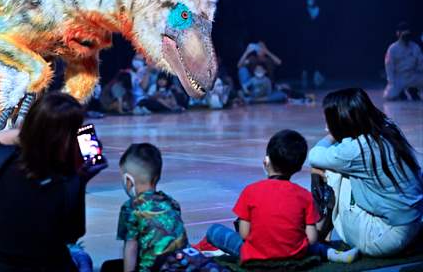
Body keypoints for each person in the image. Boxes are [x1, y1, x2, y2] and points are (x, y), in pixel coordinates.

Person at [0, 92, 106, 271]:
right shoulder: (66, 183)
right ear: (64, 141)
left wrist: (32, 132)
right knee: (82, 258)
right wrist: (81, 180)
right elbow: (71, 234)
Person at [205, 130, 358, 265]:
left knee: (214, 231)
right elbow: (311, 238)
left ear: (266, 161)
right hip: (295, 255)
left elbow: (245, 234)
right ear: (298, 168)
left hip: (256, 257)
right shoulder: (303, 195)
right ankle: (334, 255)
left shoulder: (250, 191)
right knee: (315, 247)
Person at [309, 88, 423, 257]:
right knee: (336, 167)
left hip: (385, 238)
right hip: (412, 226)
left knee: (328, 171)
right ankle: (321, 236)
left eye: (329, 120)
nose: (326, 125)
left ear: (341, 119)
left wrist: (332, 134)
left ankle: (318, 236)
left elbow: (315, 156)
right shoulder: (387, 130)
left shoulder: (357, 149)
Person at [102, 143, 188, 272]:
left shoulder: (130, 207)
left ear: (128, 181)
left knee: (108, 267)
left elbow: (131, 248)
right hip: (183, 266)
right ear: (157, 176)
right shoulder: (172, 203)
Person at [383, 22, 423, 101]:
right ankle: (400, 92)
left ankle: (413, 90)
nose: (406, 38)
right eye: (404, 36)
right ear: (398, 34)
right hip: (399, 77)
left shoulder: (415, 47)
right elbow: (389, 67)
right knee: (389, 96)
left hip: (413, 75)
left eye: (408, 35)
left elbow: (421, 63)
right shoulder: (392, 49)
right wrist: (391, 81)